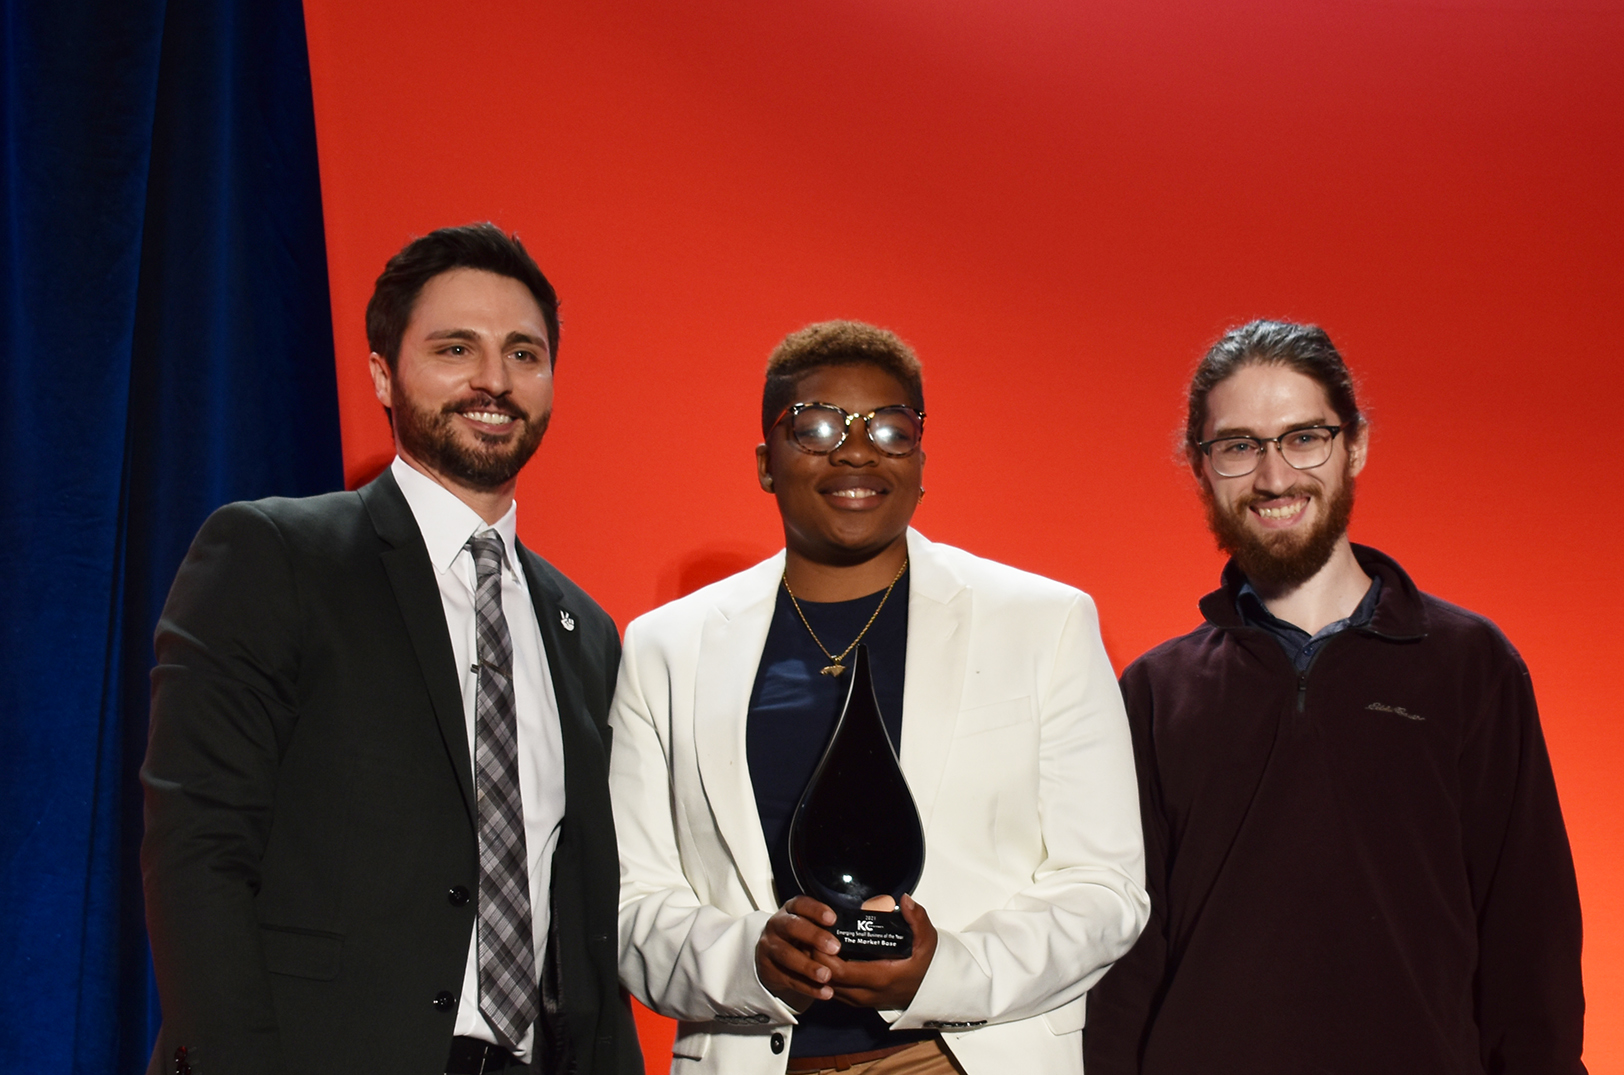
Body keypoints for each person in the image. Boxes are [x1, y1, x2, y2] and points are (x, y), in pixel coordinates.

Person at [141, 223, 642, 1075]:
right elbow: (198, 851)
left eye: (524, 353)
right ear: (383, 371)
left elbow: (586, 928)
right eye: (456, 347)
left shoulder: (586, 632)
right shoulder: (275, 554)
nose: (494, 378)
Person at [609, 320, 1148, 1075]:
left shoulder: (1044, 621)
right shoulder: (665, 646)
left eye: (891, 428)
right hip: (758, 1056)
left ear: (922, 461)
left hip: (956, 1053)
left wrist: (945, 970)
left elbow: (1104, 887)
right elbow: (631, 900)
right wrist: (751, 961)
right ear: (767, 462)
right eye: (817, 425)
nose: (856, 450)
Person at [1083, 320, 1586, 1074]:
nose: (1275, 476)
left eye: (1304, 436)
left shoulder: (1470, 666)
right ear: (1201, 468)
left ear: (1355, 445)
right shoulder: (1156, 693)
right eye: (1239, 445)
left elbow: (1530, 941)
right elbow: (1122, 965)